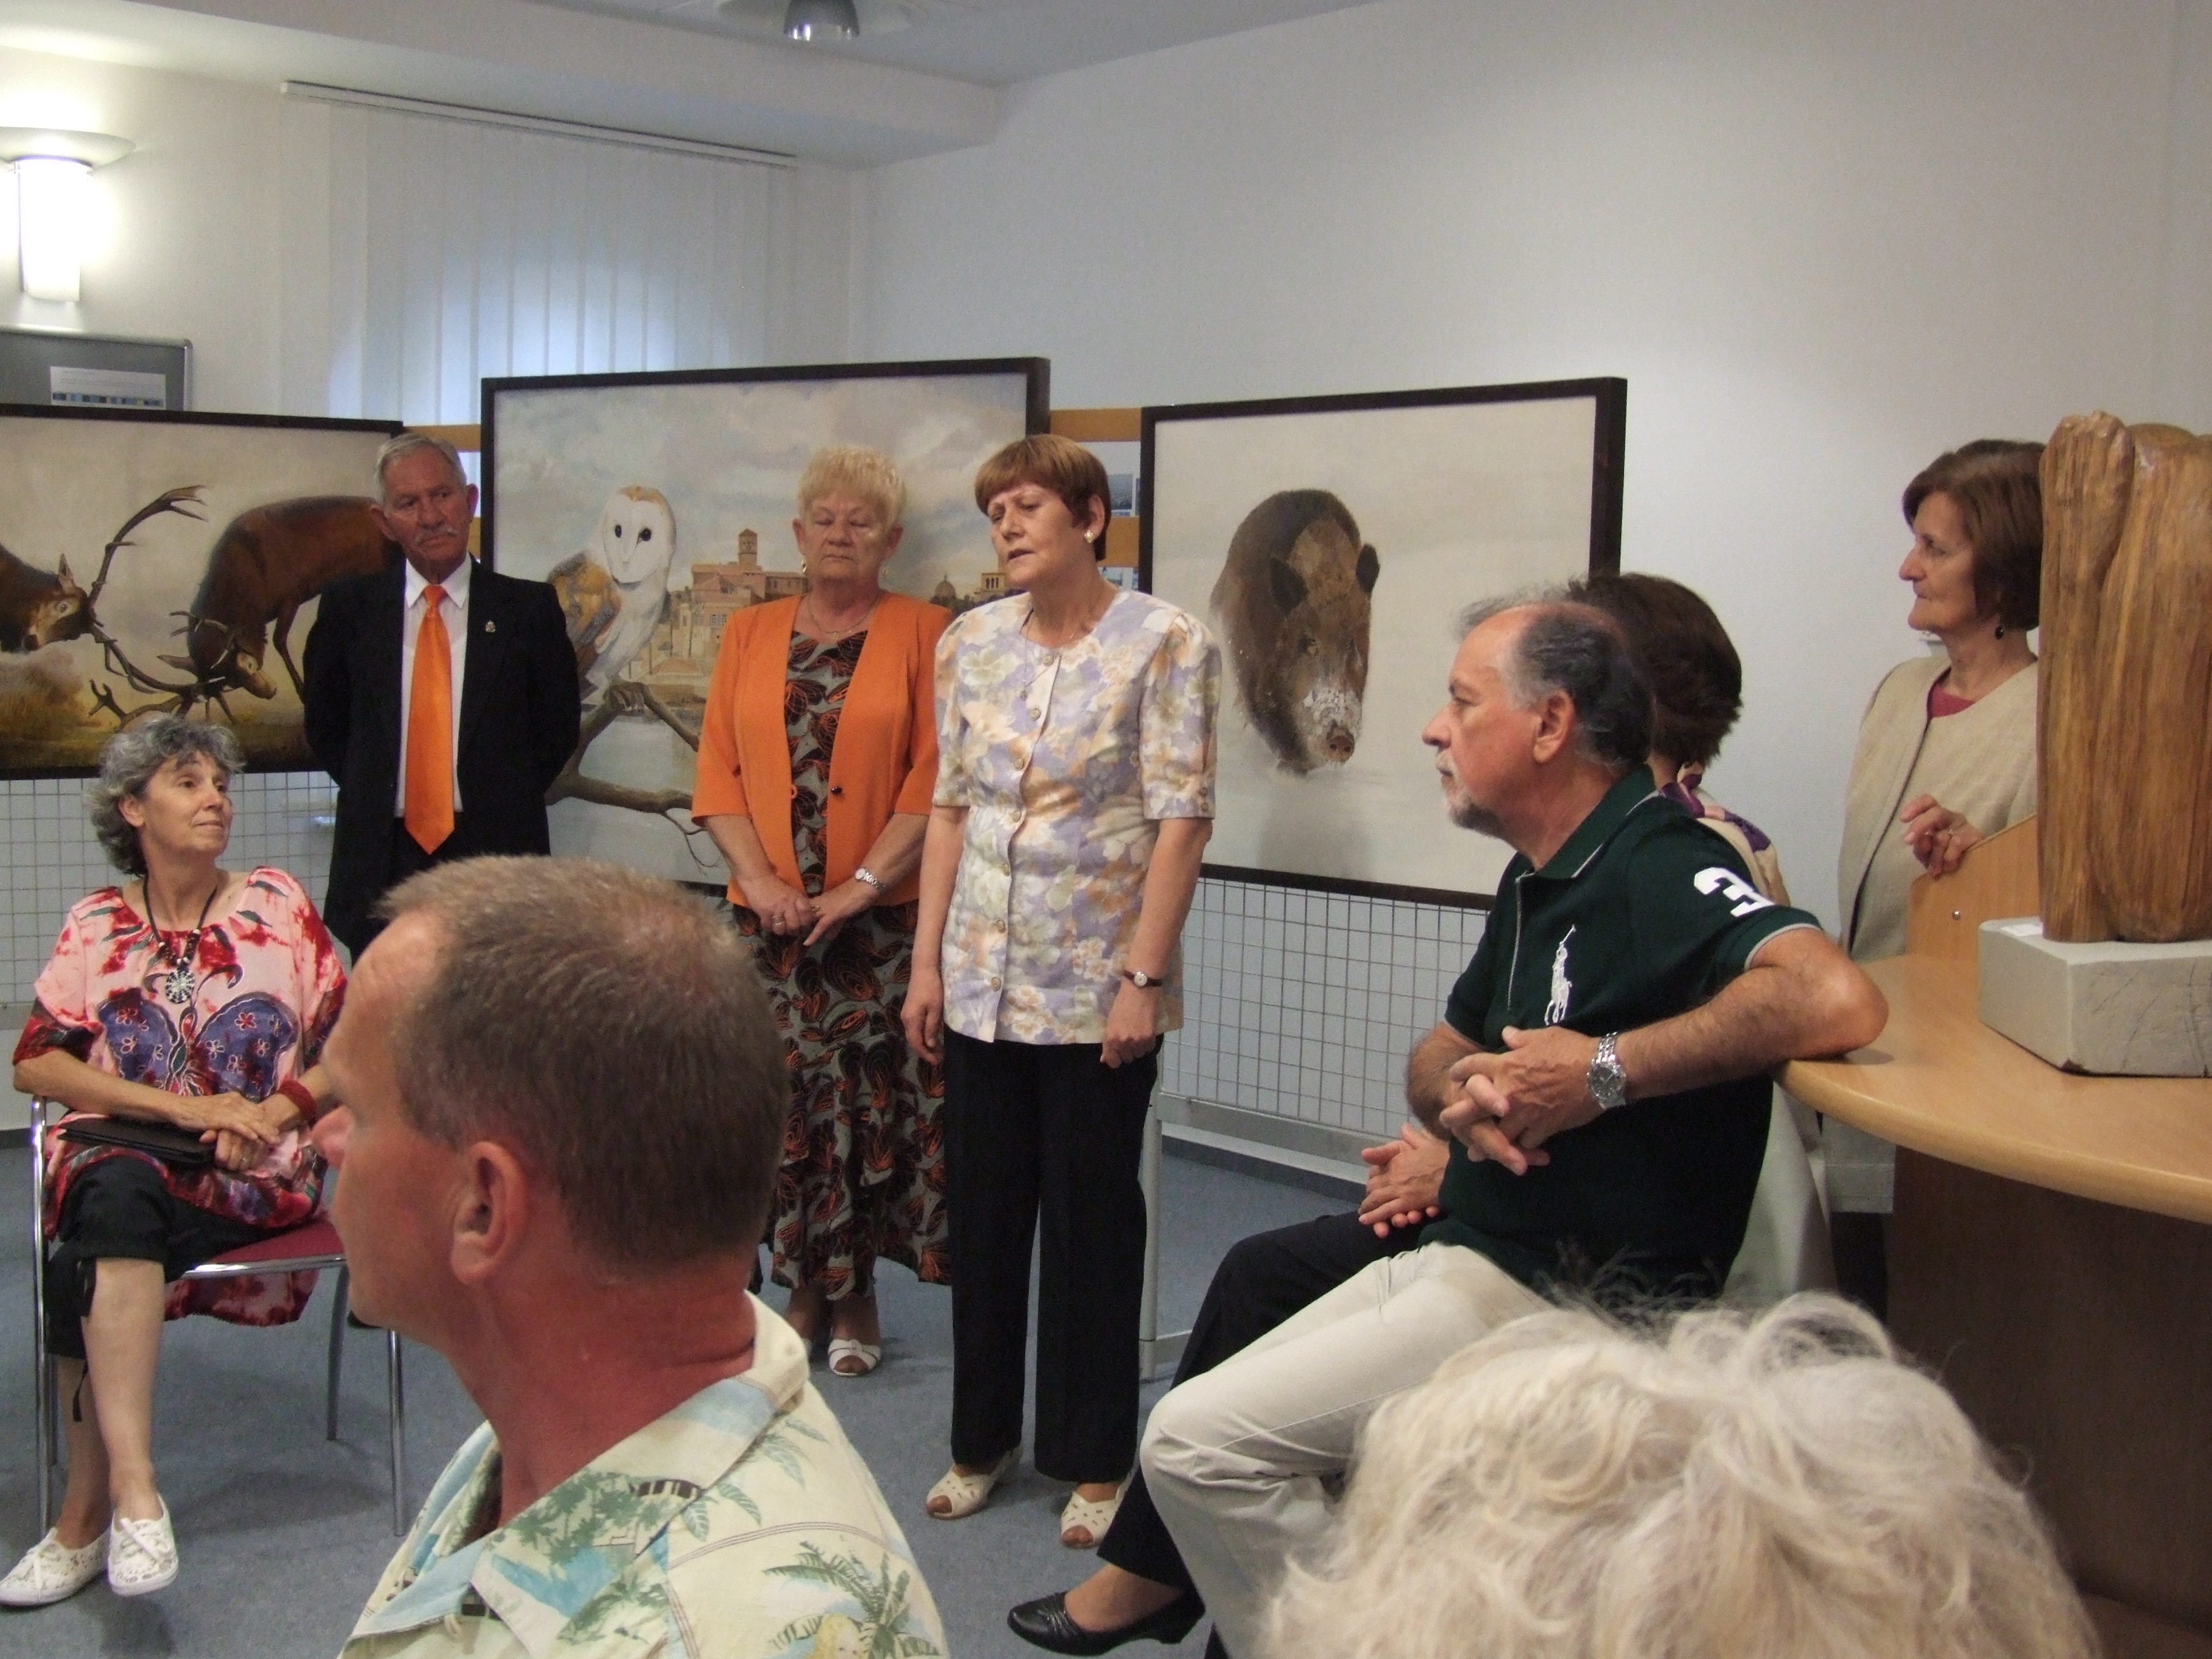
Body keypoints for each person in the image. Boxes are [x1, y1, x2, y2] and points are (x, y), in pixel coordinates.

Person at [1009, 572, 1809, 1656]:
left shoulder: (1663, 858)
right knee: (1198, 1432)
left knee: (1197, 1447)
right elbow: (1439, 1048)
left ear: (1550, 725)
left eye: (1462, 703)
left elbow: (1826, 995)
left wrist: (1601, 1071)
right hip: (1480, 1248)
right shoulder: (1541, 873)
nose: (1434, 728)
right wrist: (1461, 1097)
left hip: (1567, 1295)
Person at [318, 857, 947, 1659]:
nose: (325, 1139)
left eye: (357, 1111)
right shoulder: (560, 1419)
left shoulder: (721, 1634)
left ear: (482, 1206)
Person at [903, 433, 1220, 1547]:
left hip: (1097, 991)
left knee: (1091, 1227)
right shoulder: (969, 642)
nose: (1007, 527)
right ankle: (978, 1441)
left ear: (1089, 518)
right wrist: (926, 962)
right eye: (995, 512)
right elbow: (951, 808)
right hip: (981, 984)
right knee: (985, 1218)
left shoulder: (1165, 642)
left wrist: (1143, 978)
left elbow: (1182, 820)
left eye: (1028, 506)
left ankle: (1093, 1457)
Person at [2, 717, 345, 1607]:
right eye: (188, 783)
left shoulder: (277, 904)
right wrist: (189, 1109)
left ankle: (86, 1518)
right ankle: (134, 1496)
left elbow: (351, 1048)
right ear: (133, 809)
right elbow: (36, 1063)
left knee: (85, 1245)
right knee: (114, 1193)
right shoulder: (97, 925)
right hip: (132, 1159)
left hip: (252, 1177)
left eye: (220, 785)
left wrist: (268, 1112)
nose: (215, 801)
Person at [1263, 1294, 2097, 1659]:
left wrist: (1599, 1074)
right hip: (1456, 1230)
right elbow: (1440, 1068)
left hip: (1526, 1266)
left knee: (1206, 1441)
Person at [691, 446, 950, 1377]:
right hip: (768, 930)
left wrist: (861, 886)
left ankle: (856, 1293)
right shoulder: (748, 632)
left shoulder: (927, 632)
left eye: (862, 521)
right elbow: (717, 771)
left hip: (878, 930)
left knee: (865, 1113)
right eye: (826, 520)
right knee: (782, 1107)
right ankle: (799, 1287)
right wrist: (760, 881)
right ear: (799, 535)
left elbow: (937, 779)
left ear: (892, 539)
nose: (842, 535)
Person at [1831, 439, 2041, 1310]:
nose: (1907, 567)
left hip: (1964, 1091)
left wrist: (1985, 859)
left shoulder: (2058, 713)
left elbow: (2057, 904)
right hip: (1856, 1062)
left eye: (1935, 548)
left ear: (2005, 569)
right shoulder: (1898, 689)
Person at [303, 432, 580, 957]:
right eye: (408, 503)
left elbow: (555, 732)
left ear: (469, 501)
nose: (431, 517)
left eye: (442, 495)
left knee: (493, 1004)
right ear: (384, 521)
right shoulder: (349, 611)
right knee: (391, 1006)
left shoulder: (528, 611)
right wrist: (384, 787)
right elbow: (327, 727)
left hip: (495, 855)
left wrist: (492, 792)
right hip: (382, 860)